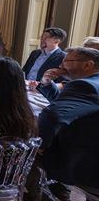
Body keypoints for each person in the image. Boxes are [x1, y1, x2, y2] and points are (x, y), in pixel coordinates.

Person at [36, 47, 99, 199]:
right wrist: (46, 82)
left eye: (67, 61)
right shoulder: (91, 83)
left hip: (88, 161)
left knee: (24, 152)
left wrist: (40, 145)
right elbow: (67, 106)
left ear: (87, 65)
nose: (61, 66)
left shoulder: (85, 85)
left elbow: (53, 115)